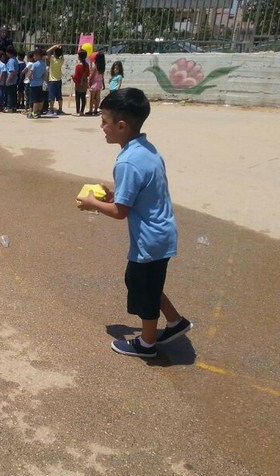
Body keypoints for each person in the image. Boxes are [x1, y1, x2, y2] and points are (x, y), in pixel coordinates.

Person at [76, 88, 193, 358]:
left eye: (104, 121)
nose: (101, 127)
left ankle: (147, 344)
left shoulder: (127, 161)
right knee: (149, 283)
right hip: (162, 232)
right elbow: (138, 194)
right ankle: (176, 322)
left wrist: (91, 202)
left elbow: (119, 212)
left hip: (150, 238)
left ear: (121, 125)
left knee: (141, 286)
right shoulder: (147, 149)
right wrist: (115, 194)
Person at [46, 44, 66, 115]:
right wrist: (59, 48)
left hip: (52, 80)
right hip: (59, 80)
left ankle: (51, 109)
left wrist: (54, 46)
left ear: (54, 53)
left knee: (51, 96)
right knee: (59, 95)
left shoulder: (52, 59)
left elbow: (47, 51)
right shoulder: (61, 60)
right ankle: (60, 109)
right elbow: (61, 54)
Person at [27, 48, 47, 119]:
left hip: (34, 84)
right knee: (39, 99)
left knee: (35, 100)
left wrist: (29, 79)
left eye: (35, 56)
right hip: (40, 83)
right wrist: (44, 81)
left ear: (38, 56)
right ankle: (38, 112)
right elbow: (45, 75)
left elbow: (30, 74)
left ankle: (33, 113)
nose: (34, 57)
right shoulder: (44, 64)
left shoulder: (34, 65)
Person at [71, 49, 89, 116]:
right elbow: (87, 74)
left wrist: (72, 77)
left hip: (79, 84)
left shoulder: (78, 66)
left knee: (78, 98)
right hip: (84, 83)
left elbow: (76, 76)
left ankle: (78, 111)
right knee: (83, 97)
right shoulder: (86, 65)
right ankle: (82, 111)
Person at [3, 45, 19, 113]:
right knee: (13, 94)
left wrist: (7, 80)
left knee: (10, 94)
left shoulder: (11, 61)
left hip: (11, 80)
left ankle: (10, 107)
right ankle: (13, 107)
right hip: (14, 80)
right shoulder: (15, 59)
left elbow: (11, 72)